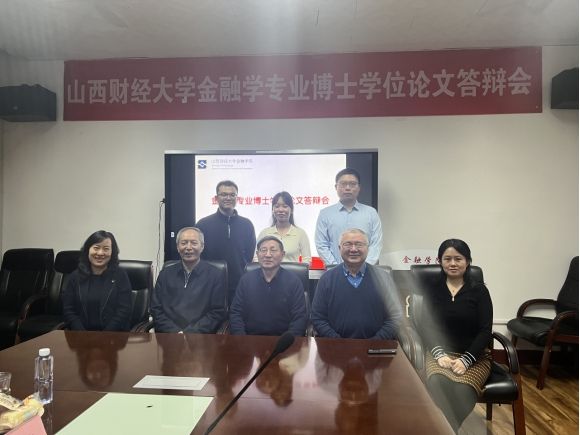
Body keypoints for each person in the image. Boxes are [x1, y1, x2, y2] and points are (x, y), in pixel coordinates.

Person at [420, 239, 493, 433]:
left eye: (458, 259)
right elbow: (425, 325)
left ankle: (444, 430)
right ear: (440, 261)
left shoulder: (479, 291)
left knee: (463, 392)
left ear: (467, 261)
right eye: (447, 259)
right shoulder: (432, 288)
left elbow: (485, 330)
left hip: (475, 357)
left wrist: (466, 360)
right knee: (437, 384)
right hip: (440, 353)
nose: (453, 263)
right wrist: (439, 354)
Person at [311, 228, 402, 339]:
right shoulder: (326, 279)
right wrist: (338, 342)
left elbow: (395, 317)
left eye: (359, 244)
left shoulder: (383, 278)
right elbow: (318, 317)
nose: (353, 249)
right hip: (335, 346)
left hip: (377, 346)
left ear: (368, 248)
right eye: (348, 244)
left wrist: (376, 341)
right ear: (339, 248)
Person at [151, 227, 226, 333]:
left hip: (201, 337)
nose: (188, 247)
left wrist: (190, 333)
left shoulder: (215, 275)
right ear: (177, 247)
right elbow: (156, 309)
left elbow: (217, 312)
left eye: (194, 243)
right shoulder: (165, 274)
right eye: (184, 243)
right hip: (169, 335)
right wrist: (175, 332)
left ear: (202, 246)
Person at [229, 235, 308, 336]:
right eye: (263, 250)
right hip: (250, 340)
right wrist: (242, 339)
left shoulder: (293, 282)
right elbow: (236, 313)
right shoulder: (246, 280)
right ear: (257, 254)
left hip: (284, 341)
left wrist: (288, 341)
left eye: (273, 250)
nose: (268, 255)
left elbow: (300, 318)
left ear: (282, 254)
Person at [196, 180, 256, 306]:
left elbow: (249, 254)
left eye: (232, 195)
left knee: (236, 317)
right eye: (223, 194)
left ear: (236, 198)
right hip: (210, 284)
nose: (228, 198)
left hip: (239, 284)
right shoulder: (203, 224)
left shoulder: (246, 224)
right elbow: (198, 254)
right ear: (216, 198)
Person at [62, 230, 132, 331]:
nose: (100, 253)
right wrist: (81, 334)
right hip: (80, 335)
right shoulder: (75, 277)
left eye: (106, 249)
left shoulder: (120, 276)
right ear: (88, 250)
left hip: (113, 336)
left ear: (112, 252)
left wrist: (104, 336)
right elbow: (68, 310)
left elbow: (124, 310)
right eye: (96, 248)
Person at [315, 168, 382, 266]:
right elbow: (321, 244)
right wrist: (335, 268)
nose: (347, 188)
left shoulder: (371, 213)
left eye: (352, 184)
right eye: (343, 184)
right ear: (336, 187)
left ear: (359, 187)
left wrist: (364, 268)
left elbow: (376, 244)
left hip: (365, 271)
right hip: (335, 270)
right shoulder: (325, 214)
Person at [257, 191, 311, 264]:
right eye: (277, 206)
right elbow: (256, 258)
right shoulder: (264, 233)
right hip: (268, 271)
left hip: (292, 271)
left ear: (291, 210)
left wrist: (298, 270)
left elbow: (307, 259)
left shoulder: (300, 233)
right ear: (273, 210)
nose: (280, 210)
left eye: (285, 206)